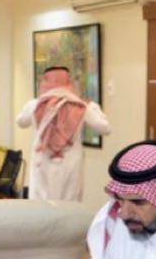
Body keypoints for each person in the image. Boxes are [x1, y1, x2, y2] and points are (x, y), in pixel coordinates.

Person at [16, 66, 110, 201]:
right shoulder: (82, 106)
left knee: (41, 206)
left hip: (41, 163)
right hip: (70, 165)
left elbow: (21, 122)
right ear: (68, 81)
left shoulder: (35, 105)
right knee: (69, 206)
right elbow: (105, 128)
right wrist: (92, 106)